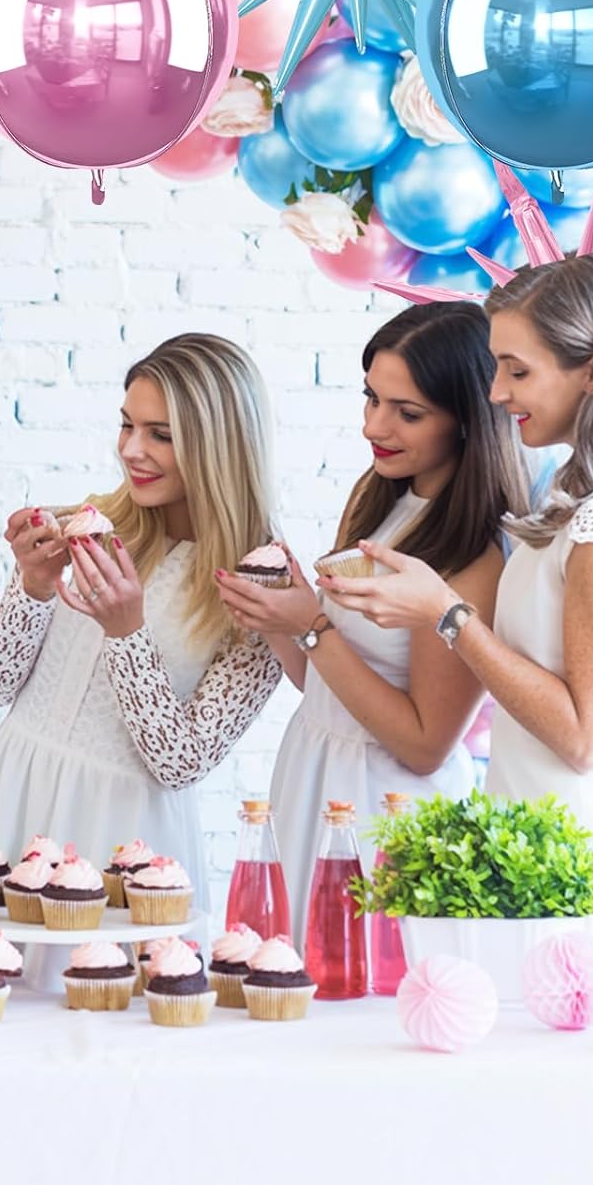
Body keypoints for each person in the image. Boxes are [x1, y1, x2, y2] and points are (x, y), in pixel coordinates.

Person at [322, 252, 593, 967]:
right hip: (558, 851)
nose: (495, 393)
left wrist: (447, 615)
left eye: (517, 371)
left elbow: (586, 739)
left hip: (586, 866)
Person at [217, 302, 528, 944]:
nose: (373, 426)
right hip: (313, 772)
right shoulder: (380, 498)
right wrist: (277, 613)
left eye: (406, 413)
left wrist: (312, 626)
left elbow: (425, 745)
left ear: (468, 421)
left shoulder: (472, 558)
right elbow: (323, 686)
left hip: (382, 806)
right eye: (371, 397)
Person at [0, 333, 283, 936]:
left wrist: (127, 632)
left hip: (127, 842)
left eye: (162, 435)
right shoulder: (88, 527)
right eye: (127, 424)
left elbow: (180, 762)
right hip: (14, 798)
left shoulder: (261, 589)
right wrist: (33, 585)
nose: (132, 449)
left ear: (220, 445)